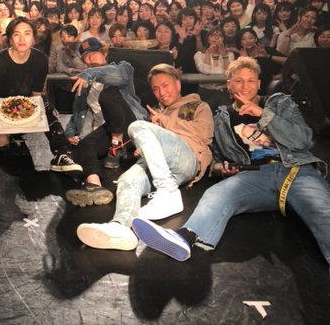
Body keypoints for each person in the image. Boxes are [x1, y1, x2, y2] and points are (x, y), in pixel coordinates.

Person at [132, 57, 330, 266]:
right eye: (238, 81)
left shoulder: (278, 103)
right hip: (255, 175)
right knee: (216, 194)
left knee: (323, 213)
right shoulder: (221, 118)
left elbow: (303, 140)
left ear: (259, 84)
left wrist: (263, 114)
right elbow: (216, 158)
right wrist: (221, 168)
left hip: (296, 169)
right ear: (229, 84)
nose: (245, 86)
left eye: (250, 81)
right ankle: (185, 238)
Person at [76, 64, 213, 250]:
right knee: (126, 181)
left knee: (137, 127)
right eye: (156, 89)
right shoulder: (155, 111)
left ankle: (168, 193)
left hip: (188, 159)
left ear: (178, 84)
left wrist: (163, 121)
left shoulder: (197, 106)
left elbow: (204, 133)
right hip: (164, 170)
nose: (161, 92)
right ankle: (120, 227)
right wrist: (143, 147)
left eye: (165, 85)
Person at [0, 17, 82, 174]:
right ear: (10, 39)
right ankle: (11, 138)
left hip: (25, 105)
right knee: (1, 146)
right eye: (17, 34)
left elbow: (36, 96)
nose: (22, 39)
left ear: (33, 38)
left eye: (27, 34)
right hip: (1, 108)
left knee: (46, 107)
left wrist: (31, 114)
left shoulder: (40, 60)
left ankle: (62, 153)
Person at [64, 38, 148, 206]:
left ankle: (116, 144)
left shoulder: (123, 67)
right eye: (86, 58)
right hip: (106, 131)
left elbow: (119, 76)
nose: (90, 60)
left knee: (107, 95)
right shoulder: (85, 85)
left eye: (93, 54)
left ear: (104, 53)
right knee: (85, 144)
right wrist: (70, 132)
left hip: (129, 125)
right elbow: (77, 113)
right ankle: (94, 187)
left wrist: (89, 73)